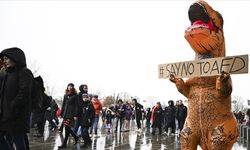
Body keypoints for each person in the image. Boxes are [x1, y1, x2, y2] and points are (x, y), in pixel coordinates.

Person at [0, 47, 33, 150]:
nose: (4, 61)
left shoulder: (24, 72)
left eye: (6, 58)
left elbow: (24, 92)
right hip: (6, 114)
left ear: (14, 57)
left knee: (18, 139)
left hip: (18, 114)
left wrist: (13, 106)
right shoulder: (8, 74)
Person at [58, 83, 79, 148]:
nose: (70, 87)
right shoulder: (65, 95)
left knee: (67, 128)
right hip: (65, 114)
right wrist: (61, 114)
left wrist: (75, 115)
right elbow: (63, 105)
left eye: (71, 86)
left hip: (71, 114)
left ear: (73, 87)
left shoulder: (75, 96)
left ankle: (64, 144)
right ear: (67, 87)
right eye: (69, 86)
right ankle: (76, 137)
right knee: (67, 128)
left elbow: (76, 106)